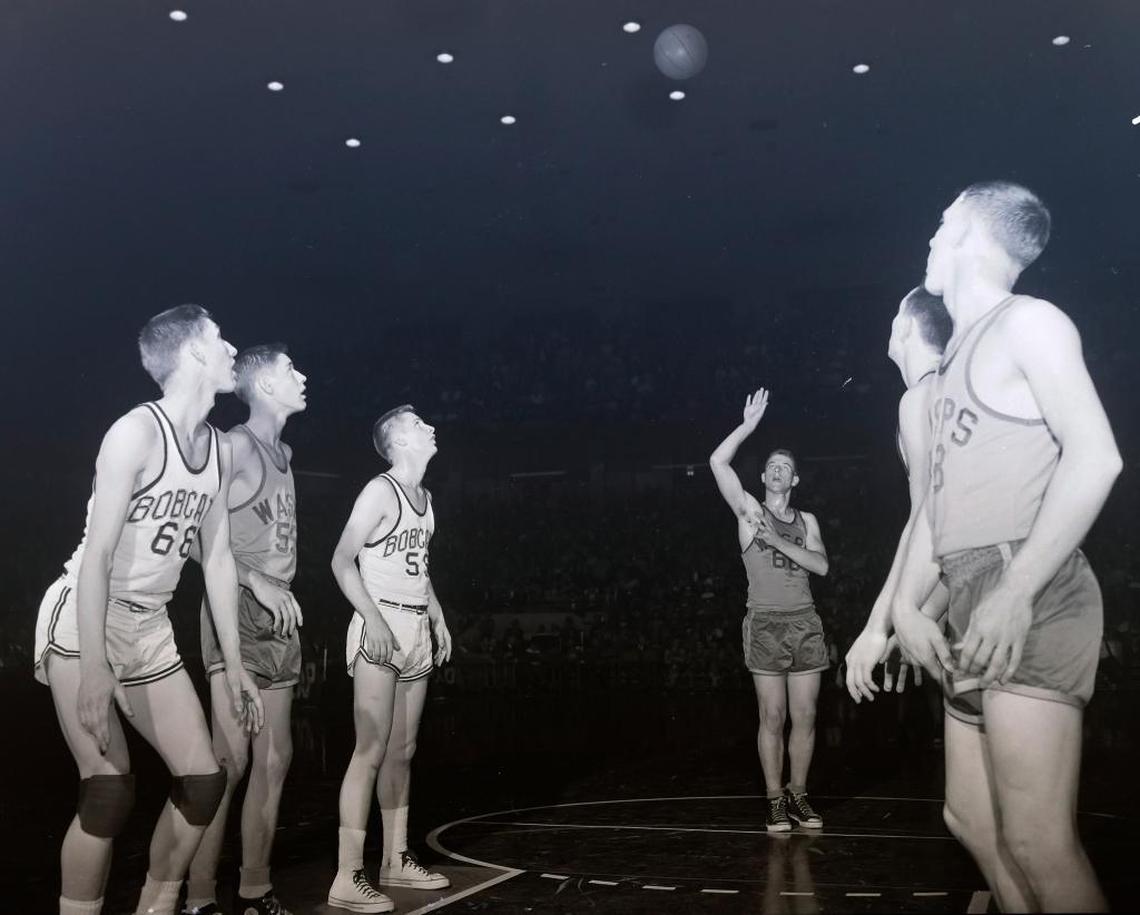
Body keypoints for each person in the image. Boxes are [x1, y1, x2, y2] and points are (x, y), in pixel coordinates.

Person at [891, 181, 1121, 911]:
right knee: (973, 818)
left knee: (1038, 841)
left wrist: (1016, 589)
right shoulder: (956, 358)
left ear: (966, 232)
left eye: (939, 223)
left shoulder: (1031, 322)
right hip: (966, 585)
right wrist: (903, 605)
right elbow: (939, 501)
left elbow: (1098, 457)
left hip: (1025, 580)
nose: (929, 238)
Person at [32, 305, 264, 915]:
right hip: (88, 609)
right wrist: (93, 669)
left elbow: (216, 560)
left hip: (149, 623)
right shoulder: (134, 433)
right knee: (108, 791)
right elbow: (99, 557)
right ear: (190, 352)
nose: (231, 346)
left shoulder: (218, 449)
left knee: (205, 780)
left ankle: (155, 908)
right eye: (219, 337)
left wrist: (235, 666)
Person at [184, 345, 308, 915]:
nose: (301, 377)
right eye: (289, 371)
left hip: (280, 618)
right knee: (228, 762)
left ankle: (255, 888)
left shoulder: (283, 452)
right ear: (261, 385)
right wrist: (256, 580)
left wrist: (271, 585)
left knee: (276, 758)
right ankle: (200, 898)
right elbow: (192, 537)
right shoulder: (234, 446)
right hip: (235, 609)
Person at [327, 405, 454, 914]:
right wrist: (374, 620)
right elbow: (341, 560)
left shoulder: (426, 499)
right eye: (420, 425)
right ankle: (346, 874)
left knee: (403, 750)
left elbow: (418, 568)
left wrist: (438, 615)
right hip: (379, 626)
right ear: (398, 440)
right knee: (371, 749)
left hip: (415, 624)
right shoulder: (380, 491)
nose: (430, 428)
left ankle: (395, 859)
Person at [710, 390, 830, 833]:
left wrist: (779, 541)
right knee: (772, 717)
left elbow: (821, 565)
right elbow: (717, 463)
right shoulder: (748, 512)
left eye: (787, 468)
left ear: (795, 480)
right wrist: (747, 427)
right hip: (765, 623)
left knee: (807, 716)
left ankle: (800, 795)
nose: (779, 471)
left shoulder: (807, 521)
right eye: (773, 466)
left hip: (804, 622)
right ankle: (774, 800)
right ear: (763, 475)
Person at [845, 287, 952, 703]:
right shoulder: (951, 386)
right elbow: (954, 534)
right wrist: (925, 615)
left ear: (904, 326)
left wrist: (879, 626)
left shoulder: (920, 397)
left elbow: (926, 519)